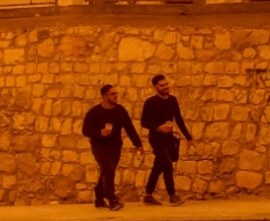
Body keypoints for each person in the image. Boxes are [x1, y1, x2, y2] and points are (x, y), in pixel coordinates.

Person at [82, 84, 143, 212]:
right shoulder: (94, 112)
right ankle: (112, 200)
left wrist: (138, 144)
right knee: (109, 169)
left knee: (106, 171)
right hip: (99, 146)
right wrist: (100, 133)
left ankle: (99, 197)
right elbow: (85, 130)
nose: (116, 96)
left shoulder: (120, 110)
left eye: (116, 93)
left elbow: (129, 128)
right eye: (113, 94)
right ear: (104, 96)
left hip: (115, 147)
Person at [140, 74, 193, 206]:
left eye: (166, 84)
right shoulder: (150, 102)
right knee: (168, 164)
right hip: (156, 139)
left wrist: (188, 137)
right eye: (162, 85)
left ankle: (147, 195)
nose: (165, 87)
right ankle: (172, 195)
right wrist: (159, 128)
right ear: (155, 87)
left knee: (158, 167)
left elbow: (179, 119)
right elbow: (144, 122)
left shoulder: (172, 100)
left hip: (169, 139)